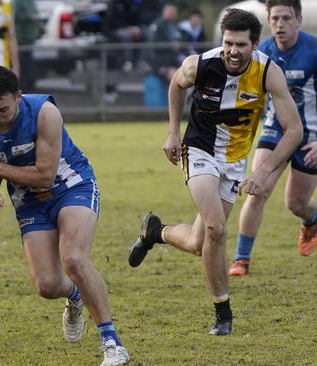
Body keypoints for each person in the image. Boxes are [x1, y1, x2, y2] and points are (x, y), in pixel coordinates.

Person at [127, 8, 303, 336]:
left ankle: (156, 232)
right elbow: (176, 86)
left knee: (199, 242)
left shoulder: (268, 72)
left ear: (256, 44)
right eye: (227, 43)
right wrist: (172, 132)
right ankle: (223, 311)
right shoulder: (201, 64)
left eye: (240, 45)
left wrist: (263, 172)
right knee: (216, 228)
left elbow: (294, 130)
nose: (233, 51)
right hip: (199, 149)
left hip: (235, 159)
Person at [0, 64, 130, 366]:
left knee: (74, 259)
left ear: (19, 98)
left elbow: (45, 176)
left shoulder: (45, 113)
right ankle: (75, 295)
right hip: (29, 202)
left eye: (2, 110)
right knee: (47, 286)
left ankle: (112, 343)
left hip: (70, 185)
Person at [230, 0, 317, 276]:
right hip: (275, 131)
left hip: (311, 135)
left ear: (298, 20)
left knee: (296, 204)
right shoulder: (262, 52)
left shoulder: (314, 50)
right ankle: (241, 260)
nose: (280, 25)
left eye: (286, 18)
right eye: (275, 18)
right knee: (258, 188)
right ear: (268, 21)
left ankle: (312, 220)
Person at [14, 0, 40, 92]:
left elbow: (36, 14)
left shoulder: (31, 2)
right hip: (21, 39)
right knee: (22, 65)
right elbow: (15, 15)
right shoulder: (17, 2)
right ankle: (22, 88)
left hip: (30, 38)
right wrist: (28, 17)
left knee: (29, 65)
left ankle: (29, 86)